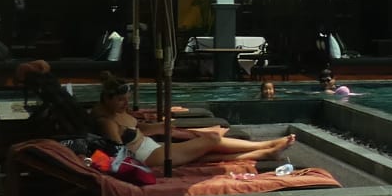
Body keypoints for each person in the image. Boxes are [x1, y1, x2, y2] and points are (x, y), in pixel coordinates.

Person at [91, 75, 294, 168]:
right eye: (121, 100)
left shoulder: (116, 112)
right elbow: (118, 152)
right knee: (212, 139)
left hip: (152, 147)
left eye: (126, 99)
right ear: (107, 99)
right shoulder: (106, 122)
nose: (125, 104)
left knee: (206, 155)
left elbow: (137, 128)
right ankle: (265, 145)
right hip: (148, 156)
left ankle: (266, 151)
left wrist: (158, 127)